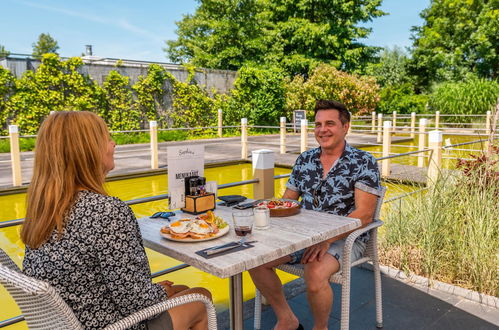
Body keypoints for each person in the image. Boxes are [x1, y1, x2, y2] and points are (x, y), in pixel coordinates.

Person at [21, 111, 211, 330]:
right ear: (87, 151)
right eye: (106, 138)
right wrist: (162, 291)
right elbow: (137, 303)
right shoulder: (107, 211)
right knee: (200, 298)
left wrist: (159, 291)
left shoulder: (42, 208)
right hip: (113, 324)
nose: (113, 144)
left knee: (182, 289)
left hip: (71, 319)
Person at [249, 100, 381, 330]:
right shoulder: (304, 160)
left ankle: (321, 327)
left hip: (346, 238)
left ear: (345, 126)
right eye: (318, 124)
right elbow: (288, 200)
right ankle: (287, 318)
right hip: (303, 236)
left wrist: (326, 239)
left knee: (315, 272)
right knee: (255, 261)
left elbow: (364, 215)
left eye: (330, 123)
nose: (322, 130)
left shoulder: (363, 161)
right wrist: (263, 213)